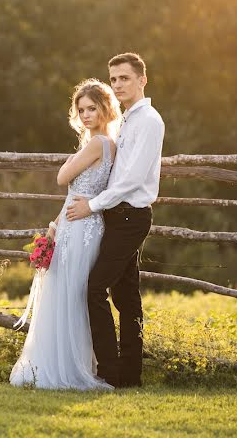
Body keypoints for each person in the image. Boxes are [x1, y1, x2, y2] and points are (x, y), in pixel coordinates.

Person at [9, 78, 121, 390]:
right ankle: (61, 363)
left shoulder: (98, 144)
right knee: (67, 294)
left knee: (70, 295)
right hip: (74, 224)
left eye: (92, 108)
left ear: (104, 109)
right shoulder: (105, 145)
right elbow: (75, 193)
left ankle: (70, 367)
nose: (86, 115)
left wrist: (71, 160)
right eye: (81, 109)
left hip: (83, 228)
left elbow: (62, 178)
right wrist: (54, 226)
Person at [65, 52, 164, 389]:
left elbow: (131, 179)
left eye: (125, 77)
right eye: (114, 79)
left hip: (129, 216)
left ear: (142, 80)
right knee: (126, 296)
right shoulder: (126, 121)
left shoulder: (149, 120)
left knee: (94, 289)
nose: (119, 84)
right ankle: (129, 376)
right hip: (117, 216)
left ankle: (109, 371)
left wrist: (92, 205)